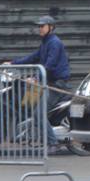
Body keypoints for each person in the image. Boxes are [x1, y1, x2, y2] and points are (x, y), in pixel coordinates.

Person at [11, 15, 71, 148]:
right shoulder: (45, 43)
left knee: (39, 113)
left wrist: (36, 78)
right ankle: (32, 135)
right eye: (39, 26)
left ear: (51, 27)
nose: (40, 29)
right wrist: (12, 63)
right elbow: (33, 57)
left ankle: (53, 143)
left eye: (42, 26)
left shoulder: (54, 43)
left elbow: (50, 65)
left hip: (57, 85)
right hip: (47, 83)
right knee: (27, 103)